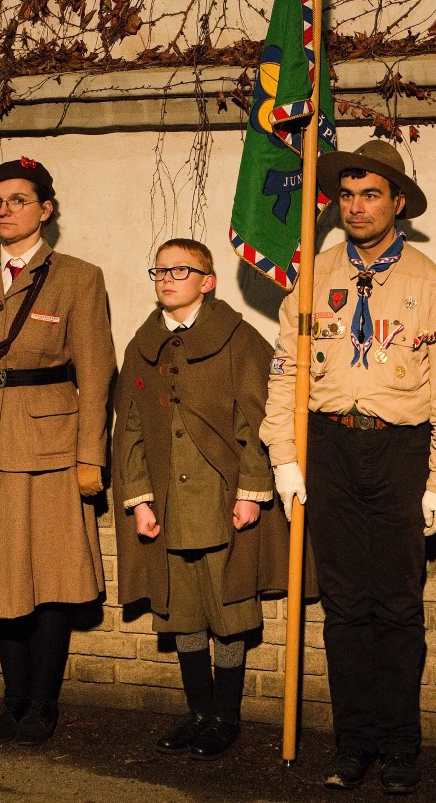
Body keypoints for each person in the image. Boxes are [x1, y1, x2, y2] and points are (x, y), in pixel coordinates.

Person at [260, 140, 436, 795]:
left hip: (399, 453)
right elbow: (286, 374)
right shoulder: (312, 278)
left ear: (397, 203)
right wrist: (284, 456)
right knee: (345, 607)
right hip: (329, 450)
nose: (356, 207)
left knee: (398, 607)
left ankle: (400, 746)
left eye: (371, 195)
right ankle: (353, 743)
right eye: (348, 195)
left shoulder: (433, 285)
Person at [0, 156, 115, 745]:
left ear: (46, 210)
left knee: (50, 573)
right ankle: (12, 700)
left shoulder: (78, 277)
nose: (5, 210)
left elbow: (97, 372)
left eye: (18, 200)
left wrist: (91, 456)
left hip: (49, 448)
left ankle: (43, 703)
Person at [113, 238, 288, 760]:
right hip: (167, 504)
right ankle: (198, 713)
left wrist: (252, 493)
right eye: (160, 270)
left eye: (180, 270)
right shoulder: (143, 344)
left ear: (207, 282)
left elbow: (257, 421)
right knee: (182, 611)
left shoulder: (238, 339)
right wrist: (140, 500)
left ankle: (225, 718)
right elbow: (130, 429)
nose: (167, 279)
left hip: (221, 500)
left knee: (227, 606)